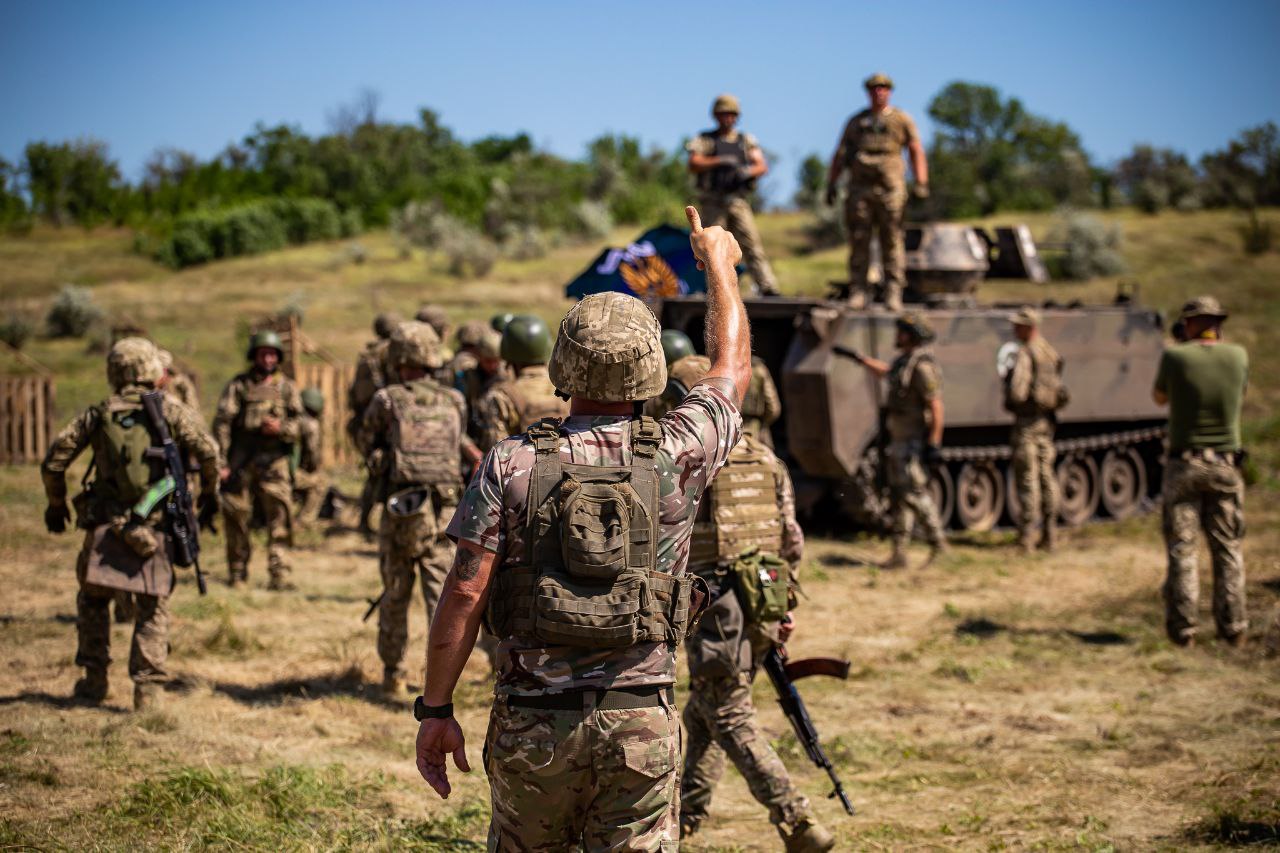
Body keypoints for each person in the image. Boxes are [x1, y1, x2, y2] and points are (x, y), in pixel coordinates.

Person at [413, 206, 752, 850]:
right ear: (649, 368)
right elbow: (730, 372)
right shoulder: (681, 450)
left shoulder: (510, 464)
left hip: (532, 725)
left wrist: (436, 710)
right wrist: (719, 268)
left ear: (563, 365)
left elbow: (463, 593)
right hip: (641, 724)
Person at [666, 356, 834, 852]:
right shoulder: (764, 458)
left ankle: (797, 820)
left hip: (717, 607)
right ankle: (686, 817)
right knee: (706, 710)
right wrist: (783, 608)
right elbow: (791, 541)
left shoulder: (691, 460)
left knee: (730, 713)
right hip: (763, 600)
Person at [41, 338, 220, 710]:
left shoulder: (100, 411)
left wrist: (56, 504)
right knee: (152, 607)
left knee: (93, 600)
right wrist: (208, 493)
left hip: (104, 524)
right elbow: (209, 450)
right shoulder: (170, 409)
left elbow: (54, 461)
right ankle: (148, 693)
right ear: (152, 368)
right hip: (153, 527)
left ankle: (94, 681)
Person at [357, 321, 482, 697]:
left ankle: (392, 673)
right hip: (444, 510)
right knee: (440, 596)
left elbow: (365, 442)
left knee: (395, 592)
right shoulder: (454, 400)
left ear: (397, 358)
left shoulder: (386, 398)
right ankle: (438, 680)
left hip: (401, 508)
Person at [1153, 296, 1249, 648]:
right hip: (1225, 464)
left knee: (1183, 548)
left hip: (1185, 465)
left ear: (1190, 324)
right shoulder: (1238, 356)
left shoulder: (1176, 357)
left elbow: (1160, 398)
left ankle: (1184, 629)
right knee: (1228, 547)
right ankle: (1234, 626)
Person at [845, 313, 947, 568]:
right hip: (899, 441)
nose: (897, 336)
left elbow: (936, 407)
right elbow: (888, 373)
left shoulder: (922, 368)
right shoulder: (905, 363)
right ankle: (899, 552)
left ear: (912, 336)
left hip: (912, 442)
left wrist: (933, 444)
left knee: (914, 494)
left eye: (902, 332)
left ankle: (939, 543)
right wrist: (861, 360)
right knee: (899, 497)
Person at [826, 72, 929, 311]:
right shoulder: (856, 122)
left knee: (892, 240)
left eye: (883, 88)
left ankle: (893, 292)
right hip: (859, 189)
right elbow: (840, 154)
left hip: (890, 188)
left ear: (889, 92)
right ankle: (859, 291)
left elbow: (915, 150)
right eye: (874, 89)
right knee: (859, 240)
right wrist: (832, 183)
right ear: (868, 92)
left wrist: (921, 181)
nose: (878, 92)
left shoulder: (901, 119)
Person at [214, 330, 304, 590]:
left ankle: (280, 574)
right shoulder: (239, 386)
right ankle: (238, 572)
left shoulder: (287, 387)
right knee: (236, 516)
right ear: (254, 355)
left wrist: (281, 428)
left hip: (275, 462)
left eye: (272, 354)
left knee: (280, 519)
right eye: (263, 353)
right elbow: (223, 423)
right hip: (242, 461)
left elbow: (302, 425)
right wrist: (222, 461)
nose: (268, 358)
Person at [687, 94, 781, 297]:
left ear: (736, 117)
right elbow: (694, 162)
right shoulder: (705, 139)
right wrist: (720, 161)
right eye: (722, 114)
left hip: (737, 200)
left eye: (730, 114)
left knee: (752, 244)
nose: (726, 119)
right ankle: (716, 289)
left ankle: (767, 287)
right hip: (713, 201)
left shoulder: (745, 140)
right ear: (716, 116)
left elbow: (761, 165)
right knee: (712, 247)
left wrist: (746, 172)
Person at [1003, 307, 1067, 553]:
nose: (1014, 329)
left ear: (1029, 327)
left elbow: (1017, 392)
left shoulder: (1025, 353)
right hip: (1046, 421)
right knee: (1047, 478)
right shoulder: (1048, 351)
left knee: (1027, 479)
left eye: (1018, 325)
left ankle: (1026, 539)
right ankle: (1050, 536)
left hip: (1027, 423)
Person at [475, 315, 569, 452]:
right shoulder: (567, 388)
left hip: (522, 471)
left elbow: (497, 450)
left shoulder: (501, 395)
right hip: (569, 469)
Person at [349, 313, 401, 537]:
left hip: (363, 421)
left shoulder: (366, 354)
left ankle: (364, 521)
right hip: (383, 421)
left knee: (374, 470)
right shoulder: (388, 352)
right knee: (385, 471)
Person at [293, 387, 326, 528]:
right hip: (289, 474)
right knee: (320, 482)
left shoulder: (290, 418)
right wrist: (314, 469)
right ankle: (303, 522)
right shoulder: (310, 424)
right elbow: (313, 453)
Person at [741, 356, 782, 448]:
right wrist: (764, 422)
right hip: (754, 426)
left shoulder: (719, 365)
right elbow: (773, 407)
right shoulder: (758, 369)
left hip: (728, 425)